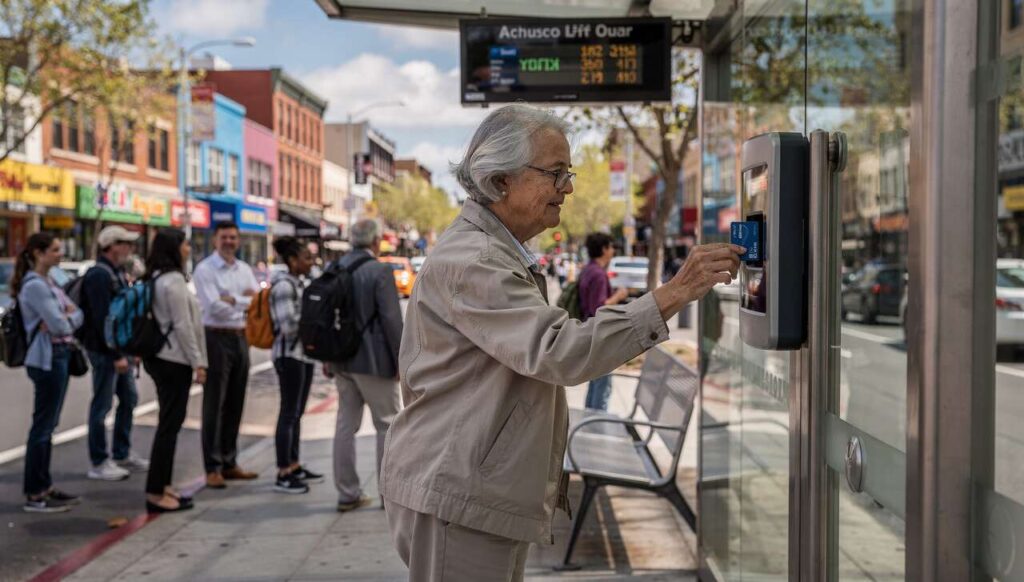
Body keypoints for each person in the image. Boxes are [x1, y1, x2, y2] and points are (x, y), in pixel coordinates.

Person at [379, 104, 743, 579]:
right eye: (555, 173)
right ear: (500, 178)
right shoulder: (476, 258)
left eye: (566, 173)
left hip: (474, 488)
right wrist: (673, 293)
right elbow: (559, 351)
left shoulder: (494, 250)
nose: (567, 188)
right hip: (459, 491)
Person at [327, 218, 403, 513]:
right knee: (387, 424)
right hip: (373, 360)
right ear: (374, 242)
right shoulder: (380, 271)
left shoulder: (334, 268)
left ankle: (347, 493)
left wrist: (328, 358)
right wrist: (400, 358)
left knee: (346, 424)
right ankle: (389, 495)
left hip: (341, 359)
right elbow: (392, 320)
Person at [14, 233, 84, 512]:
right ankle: (34, 492)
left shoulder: (50, 282)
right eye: (55, 250)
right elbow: (62, 326)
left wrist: (67, 315)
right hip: (47, 358)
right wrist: (65, 317)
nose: (60, 254)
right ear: (38, 253)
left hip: (59, 355)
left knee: (49, 425)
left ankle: (45, 485)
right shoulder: (35, 286)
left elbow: (77, 314)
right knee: (42, 427)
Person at [142, 228, 207, 513]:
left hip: (160, 356)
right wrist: (198, 362)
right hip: (174, 359)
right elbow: (184, 326)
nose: (188, 248)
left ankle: (164, 485)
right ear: (174, 248)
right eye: (185, 244)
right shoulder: (174, 282)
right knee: (169, 426)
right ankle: (156, 492)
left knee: (168, 424)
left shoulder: (156, 278)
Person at [192, 221, 259, 489]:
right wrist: (239, 301)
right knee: (214, 404)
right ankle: (213, 467)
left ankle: (230, 463)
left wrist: (234, 300)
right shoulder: (205, 269)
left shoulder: (243, 269)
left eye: (233, 237)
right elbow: (215, 308)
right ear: (215, 240)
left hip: (241, 337)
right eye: (224, 237)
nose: (229, 241)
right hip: (216, 338)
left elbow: (257, 302)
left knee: (235, 401)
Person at [81, 225, 148, 482]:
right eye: (125, 243)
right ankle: (99, 460)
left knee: (129, 398)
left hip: (120, 350)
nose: (129, 249)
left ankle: (121, 452)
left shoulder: (117, 272)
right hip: (105, 352)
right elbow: (102, 320)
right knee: (102, 405)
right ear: (110, 245)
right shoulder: (99, 275)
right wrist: (117, 354)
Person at [268, 236, 322, 494]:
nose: (311, 263)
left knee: (297, 412)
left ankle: (294, 463)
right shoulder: (284, 287)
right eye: (307, 258)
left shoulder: (298, 284)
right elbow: (288, 326)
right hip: (289, 355)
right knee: (288, 413)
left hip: (303, 355)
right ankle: (283, 471)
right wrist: (312, 320)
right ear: (292, 261)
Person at [578, 232, 630, 411]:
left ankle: (589, 421)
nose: (613, 251)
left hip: (589, 334)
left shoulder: (587, 270)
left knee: (595, 385)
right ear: (604, 249)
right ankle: (596, 427)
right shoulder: (599, 275)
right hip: (600, 338)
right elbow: (599, 308)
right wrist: (618, 296)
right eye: (611, 247)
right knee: (602, 388)